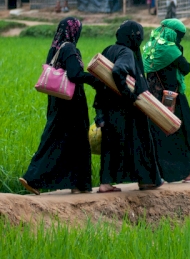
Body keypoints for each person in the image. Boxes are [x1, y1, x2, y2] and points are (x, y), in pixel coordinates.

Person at [19, 18, 99, 195]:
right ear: (74, 31)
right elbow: (74, 74)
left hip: (57, 101)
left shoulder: (54, 48)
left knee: (55, 139)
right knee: (77, 141)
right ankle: (77, 184)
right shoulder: (69, 48)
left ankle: (72, 183)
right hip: (71, 104)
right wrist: (95, 80)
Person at [95, 21, 162, 193]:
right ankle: (146, 181)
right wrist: (129, 95)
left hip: (107, 105)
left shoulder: (109, 49)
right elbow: (118, 71)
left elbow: (101, 79)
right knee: (141, 142)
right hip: (125, 109)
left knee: (110, 145)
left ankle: (105, 184)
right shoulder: (127, 52)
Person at [143, 19, 190, 183]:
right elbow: (186, 68)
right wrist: (179, 49)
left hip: (152, 100)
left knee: (158, 136)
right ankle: (186, 172)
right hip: (172, 99)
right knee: (182, 133)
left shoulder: (148, 47)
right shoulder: (170, 49)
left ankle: (158, 174)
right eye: (179, 36)